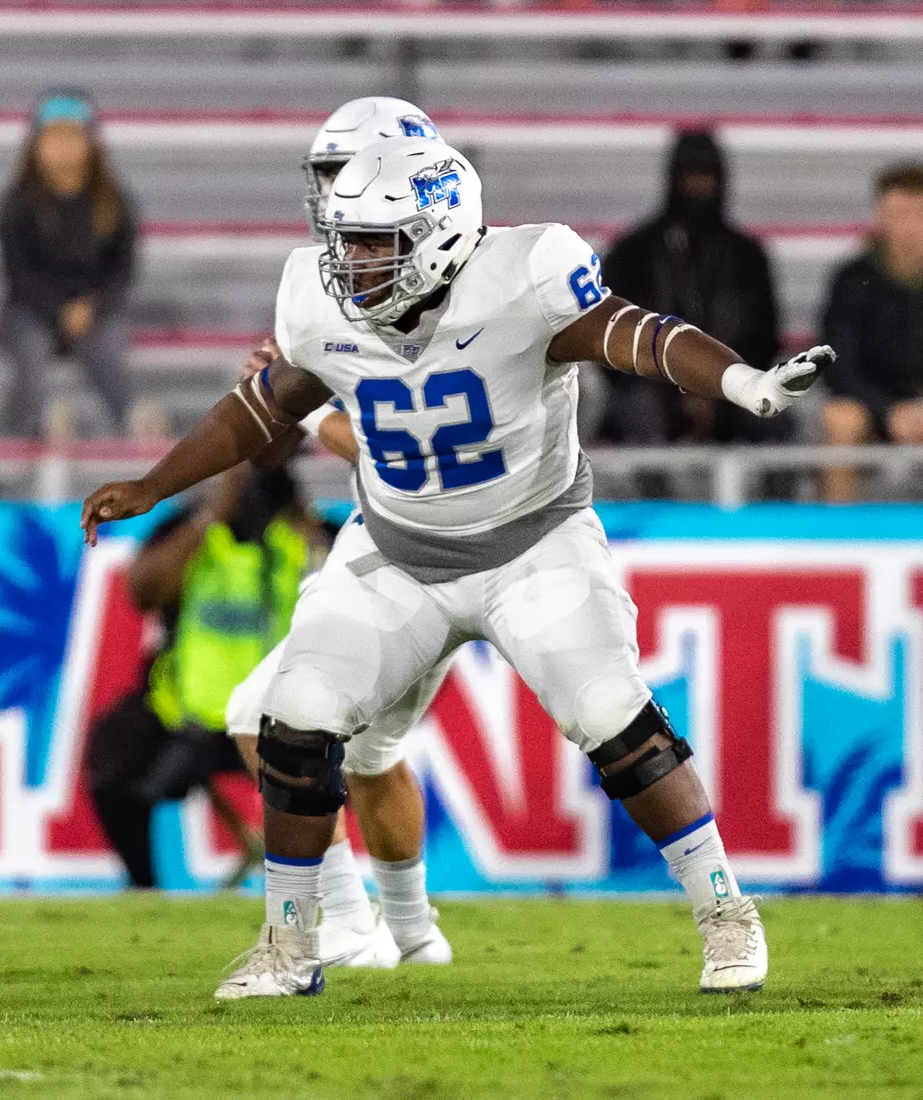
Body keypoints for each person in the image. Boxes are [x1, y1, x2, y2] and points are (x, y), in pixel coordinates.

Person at [82, 135, 833, 999]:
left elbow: (638, 336)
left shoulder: (521, 277)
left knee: (611, 714)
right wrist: (155, 484)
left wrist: (742, 383)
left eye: (375, 241)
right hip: (398, 555)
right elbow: (262, 406)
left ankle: (725, 911)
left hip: (532, 545)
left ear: (439, 234)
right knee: (295, 714)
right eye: (347, 239)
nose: (351, 261)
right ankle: (289, 943)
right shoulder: (326, 303)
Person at [215, 96, 457, 972]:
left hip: (438, 543)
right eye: (323, 176)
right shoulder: (346, 282)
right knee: (371, 749)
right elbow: (278, 437)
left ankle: (355, 921)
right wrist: (276, 395)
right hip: (398, 538)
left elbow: (417, 448)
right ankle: (413, 936)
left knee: (265, 716)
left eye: (341, 173)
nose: (329, 196)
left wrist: (309, 412)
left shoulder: (450, 293)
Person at [85, 461, 312, 890]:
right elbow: (143, 591)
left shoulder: (303, 529)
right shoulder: (192, 525)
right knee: (111, 765)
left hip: (279, 713)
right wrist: (211, 516)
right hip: (189, 713)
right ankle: (144, 889)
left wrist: (302, 518)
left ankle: (335, 888)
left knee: (356, 771)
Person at [601, 129, 782, 454]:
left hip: (732, 388)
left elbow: (765, 338)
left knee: (772, 416)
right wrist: (678, 388)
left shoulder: (748, 257)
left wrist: (719, 386)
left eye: (707, 177)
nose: (699, 187)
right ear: (674, 179)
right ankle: (655, 491)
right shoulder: (632, 254)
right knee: (640, 409)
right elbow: (613, 338)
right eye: (691, 177)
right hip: (652, 388)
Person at [817, 162, 923, 501]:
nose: (911, 227)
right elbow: (837, 365)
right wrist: (888, 412)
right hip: (876, 409)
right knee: (841, 419)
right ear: (879, 216)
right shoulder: (852, 279)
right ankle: (838, 531)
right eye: (899, 214)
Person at [0, 89, 137, 437]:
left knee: (108, 351)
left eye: (74, 137)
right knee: (30, 354)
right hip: (33, 308)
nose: (64, 147)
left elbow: (121, 270)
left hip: (95, 310)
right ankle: (35, 427)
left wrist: (92, 306)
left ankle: (132, 423)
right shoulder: (17, 204)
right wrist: (60, 309)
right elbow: (20, 275)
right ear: (36, 145)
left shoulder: (113, 202)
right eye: (54, 137)